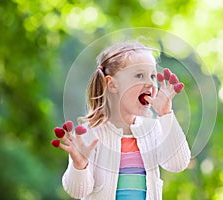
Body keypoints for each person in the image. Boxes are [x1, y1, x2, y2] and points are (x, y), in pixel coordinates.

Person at [52, 40, 191, 200]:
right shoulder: (90, 133)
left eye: (152, 76)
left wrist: (166, 114)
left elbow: (177, 164)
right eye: (139, 75)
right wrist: (79, 166)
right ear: (112, 85)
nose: (150, 83)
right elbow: (78, 191)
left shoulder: (152, 129)